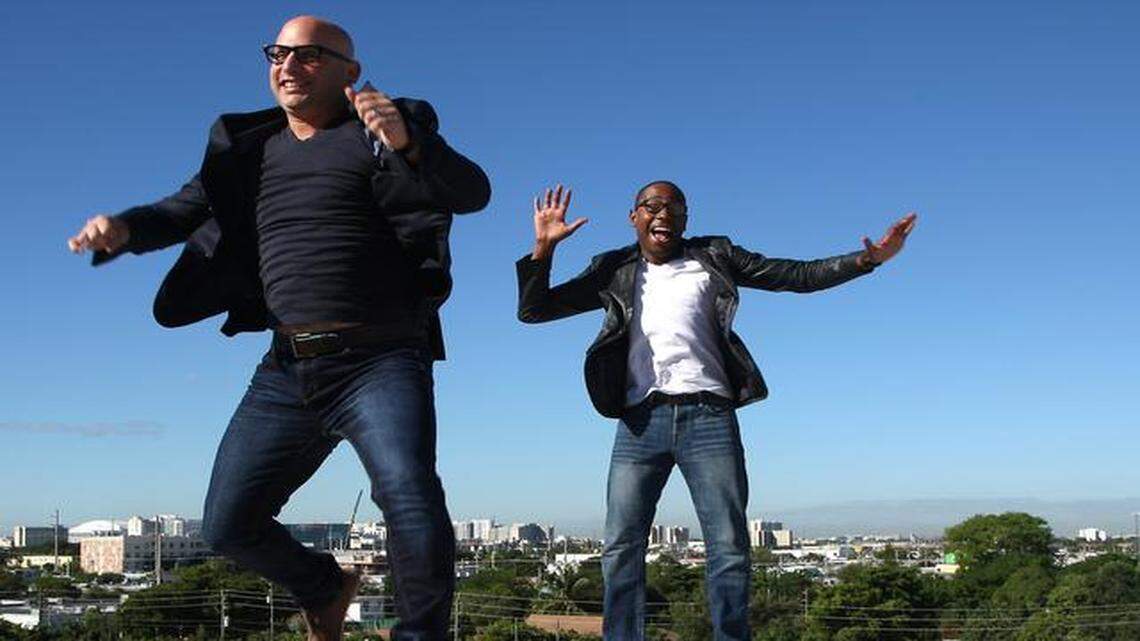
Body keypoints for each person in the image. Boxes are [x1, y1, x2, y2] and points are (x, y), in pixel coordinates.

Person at [67, 16, 490, 641]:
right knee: (227, 523)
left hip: (380, 359)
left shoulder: (384, 130)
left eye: (309, 55)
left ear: (350, 72)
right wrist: (124, 230)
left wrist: (410, 144)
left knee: (408, 495)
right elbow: (176, 212)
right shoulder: (249, 149)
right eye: (278, 54)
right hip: (286, 368)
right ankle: (321, 584)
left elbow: (471, 192)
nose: (288, 66)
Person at [516, 182, 915, 641]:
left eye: (675, 208)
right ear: (634, 217)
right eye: (652, 206)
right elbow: (535, 310)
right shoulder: (612, 268)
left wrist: (870, 258)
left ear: (686, 219)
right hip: (639, 421)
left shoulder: (715, 255)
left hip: (709, 417)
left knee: (727, 545)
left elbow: (796, 275)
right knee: (621, 545)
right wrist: (543, 249)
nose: (663, 213)